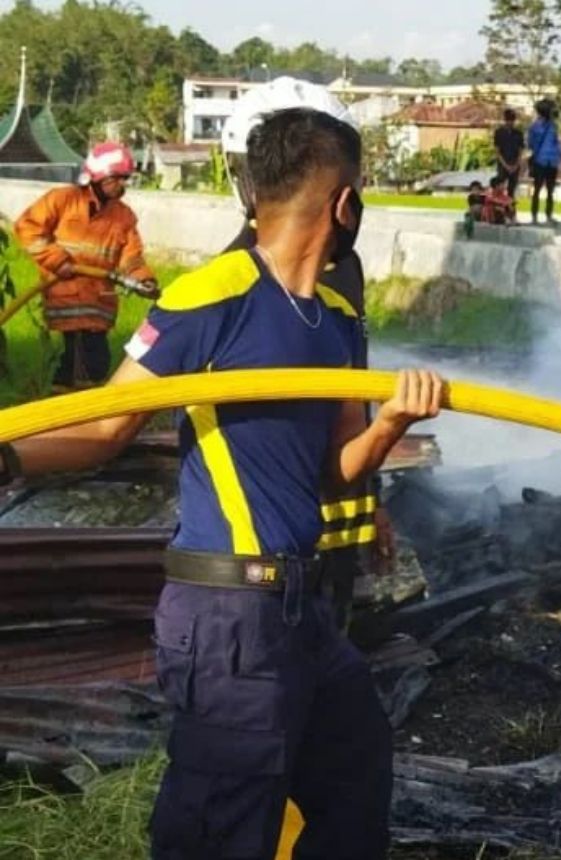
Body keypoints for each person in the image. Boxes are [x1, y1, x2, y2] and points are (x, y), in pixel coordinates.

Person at [0, 108, 444, 860]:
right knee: (220, 829)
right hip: (229, 613)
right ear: (344, 202)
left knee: (354, 778)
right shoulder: (212, 295)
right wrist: (8, 459)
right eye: (360, 190)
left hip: (304, 611)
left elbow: (334, 473)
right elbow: (107, 424)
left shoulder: (335, 318)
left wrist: (393, 424)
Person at [220, 76, 393, 636]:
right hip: (264, 545)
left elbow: (352, 400)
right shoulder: (226, 284)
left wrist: (374, 503)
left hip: (332, 520)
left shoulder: (342, 268)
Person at [15, 142, 157, 391]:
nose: (123, 185)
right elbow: (27, 228)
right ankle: (72, 417)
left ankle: (67, 414)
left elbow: (131, 256)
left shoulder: (123, 216)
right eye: (117, 178)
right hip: (67, 297)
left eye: (125, 179)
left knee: (85, 365)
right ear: (99, 177)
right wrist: (58, 261)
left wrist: (142, 278)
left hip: (99, 302)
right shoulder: (62, 200)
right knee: (85, 363)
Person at [526, 99, 561, 226]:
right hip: (552, 162)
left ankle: (534, 217)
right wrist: (560, 157)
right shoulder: (554, 126)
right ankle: (548, 216)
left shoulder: (534, 127)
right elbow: (557, 143)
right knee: (550, 191)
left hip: (539, 161)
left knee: (537, 190)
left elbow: (531, 144)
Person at [493, 108, 523, 200]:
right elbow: (497, 151)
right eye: (508, 120)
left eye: (512, 120)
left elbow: (520, 151)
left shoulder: (518, 133)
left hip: (514, 164)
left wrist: (516, 165)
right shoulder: (499, 133)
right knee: (500, 187)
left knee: (512, 189)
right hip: (503, 164)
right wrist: (506, 165)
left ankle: (510, 208)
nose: (510, 122)